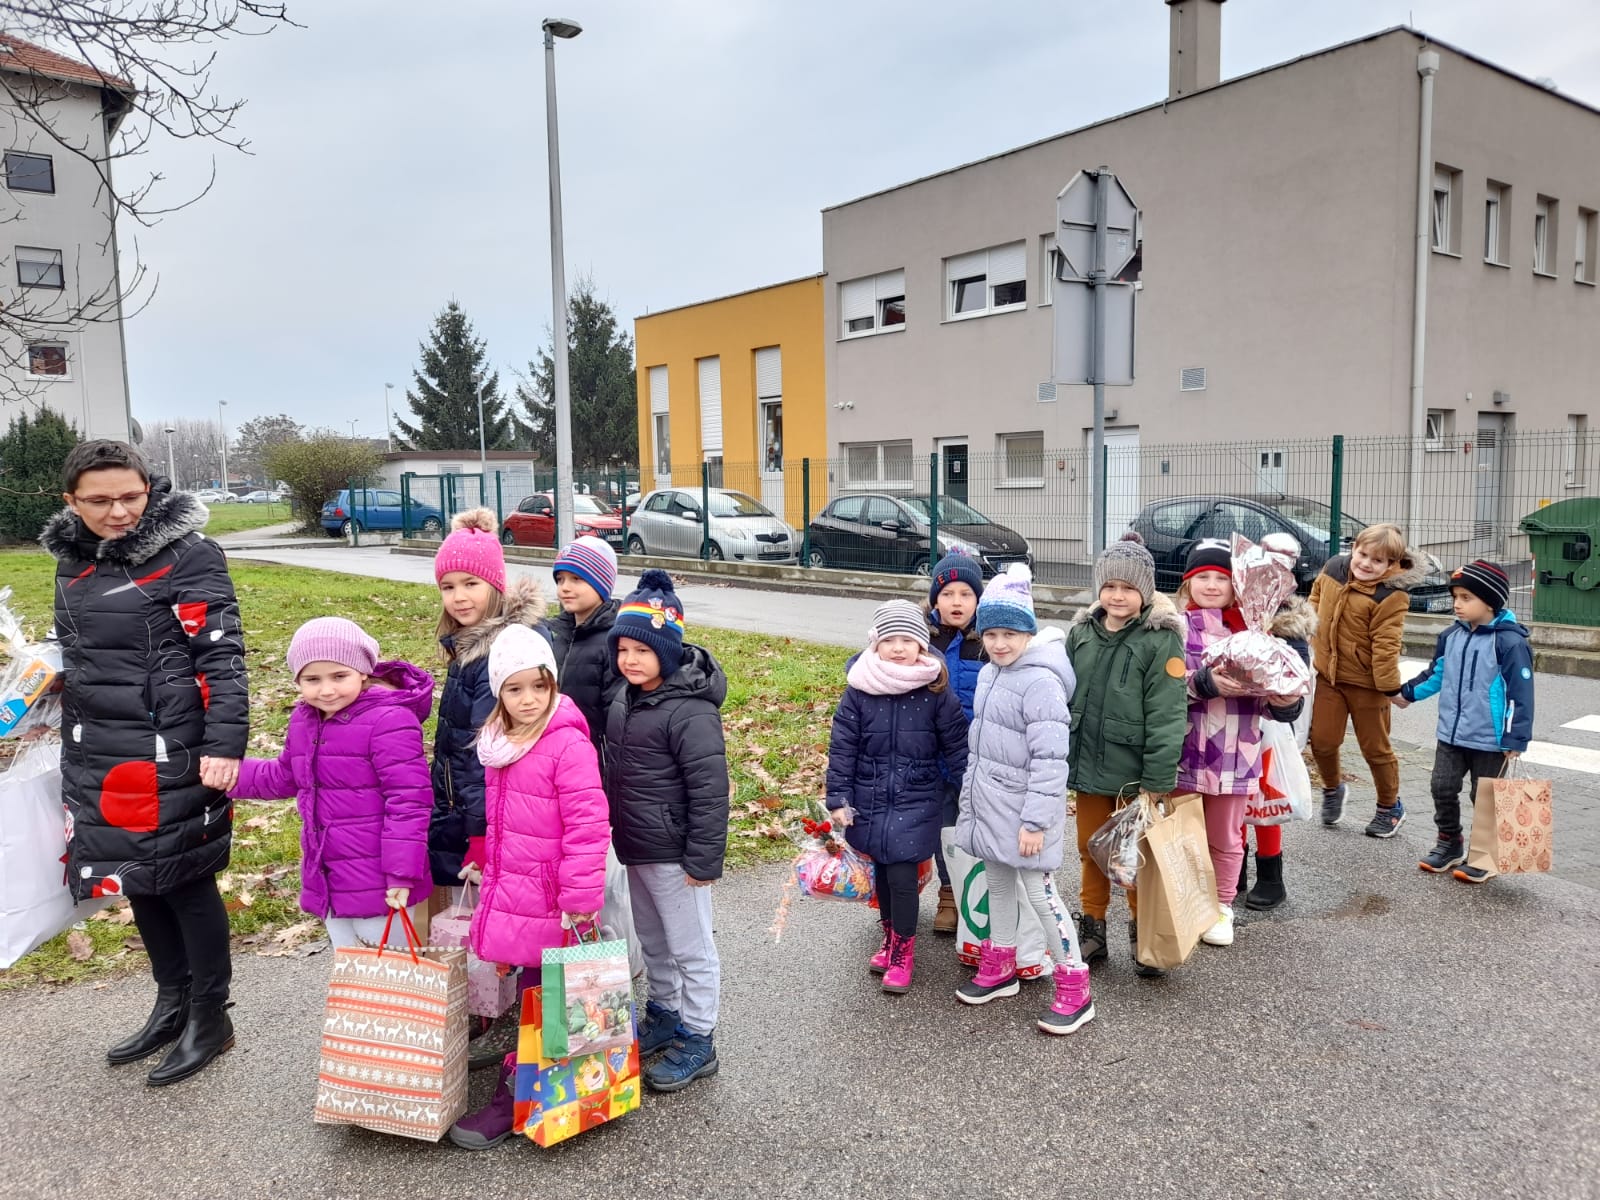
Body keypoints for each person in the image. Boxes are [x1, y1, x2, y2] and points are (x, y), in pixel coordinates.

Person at [40, 440, 249, 1086]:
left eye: (131, 496)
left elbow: (221, 654)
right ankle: (173, 1002)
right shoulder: (72, 562)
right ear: (71, 502)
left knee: (185, 878)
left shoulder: (188, 555)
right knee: (138, 877)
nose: (119, 512)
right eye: (99, 501)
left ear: (149, 488)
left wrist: (224, 746)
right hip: (100, 747)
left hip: (174, 746)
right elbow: (85, 650)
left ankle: (211, 1017)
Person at [448, 624, 610, 1149]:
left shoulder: (566, 745)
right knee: (539, 999)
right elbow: (509, 824)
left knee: (545, 1002)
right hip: (516, 893)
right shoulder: (499, 744)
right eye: (514, 689)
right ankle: (545, 1094)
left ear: (553, 686)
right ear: (498, 692)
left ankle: (514, 1101)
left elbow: (588, 826)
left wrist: (581, 899)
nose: (528, 699)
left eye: (538, 687)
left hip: (555, 903)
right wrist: (487, 865)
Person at [231, 618, 434, 947]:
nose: (326, 690)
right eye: (312, 679)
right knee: (350, 974)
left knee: (391, 978)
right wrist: (230, 777)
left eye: (339, 676)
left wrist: (401, 873)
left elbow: (408, 802)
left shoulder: (389, 721)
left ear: (363, 672)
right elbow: (285, 776)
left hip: (384, 879)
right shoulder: (305, 719)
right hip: (329, 877)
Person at [952, 564, 1093, 1036]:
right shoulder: (993, 673)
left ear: (1028, 632)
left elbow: (1052, 760)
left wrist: (1035, 822)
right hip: (992, 805)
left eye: (1010, 633)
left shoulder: (1040, 681)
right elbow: (982, 745)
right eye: (990, 633)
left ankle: (1075, 985)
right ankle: (1000, 964)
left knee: (1040, 893)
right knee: (998, 886)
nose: (999, 643)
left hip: (1028, 813)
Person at [603, 569, 730, 1091]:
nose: (630, 660)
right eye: (623, 648)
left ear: (669, 652)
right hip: (635, 845)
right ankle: (665, 1012)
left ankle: (700, 1036)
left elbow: (710, 791)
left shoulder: (691, 711)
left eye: (643, 650)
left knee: (690, 946)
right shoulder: (623, 699)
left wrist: (702, 860)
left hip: (677, 854)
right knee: (653, 939)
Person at [825, 600, 968, 993]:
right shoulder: (859, 688)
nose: (899, 647)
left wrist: (967, 790)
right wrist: (838, 797)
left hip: (918, 795)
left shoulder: (935, 689)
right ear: (876, 643)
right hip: (869, 797)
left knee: (903, 874)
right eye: (890, 639)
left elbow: (956, 745)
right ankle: (889, 938)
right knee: (882, 876)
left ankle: (904, 950)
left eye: (908, 639)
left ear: (922, 644)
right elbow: (843, 746)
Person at [1065, 533, 1186, 979]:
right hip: (1087, 767)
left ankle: (1144, 929)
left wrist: (1157, 778)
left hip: (1132, 775)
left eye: (1128, 588)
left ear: (1146, 592)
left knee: (1134, 857)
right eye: (1110, 586)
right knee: (1089, 849)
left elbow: (1169, 714)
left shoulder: (1161, 640)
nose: (1117, 596)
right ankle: (1093, 927)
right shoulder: (1080, 633)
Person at [1176, 540, 1301, 948]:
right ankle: (1180, 900)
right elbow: (1159, 687)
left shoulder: (1253, 634)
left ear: (1237, 585)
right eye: (1203, 577)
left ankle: (1222, 906)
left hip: (1236, 751)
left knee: (1226, 835)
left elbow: (1268, 698)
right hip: (1182, 748)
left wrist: (1283, 702)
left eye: (1221, 578)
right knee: (1180, 830)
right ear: (1187, 583)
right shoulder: (1174, 628)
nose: (1212, 585)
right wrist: (1202, 683)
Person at [427, 509, 547, 905]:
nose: (458, 597)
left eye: (470, 583)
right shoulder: (468, 646)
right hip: (464, 811)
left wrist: (480, 835)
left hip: (491, 821)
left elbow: (488, 753)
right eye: (447, 586)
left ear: (495, 584)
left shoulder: (502, 652)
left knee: (495, 935)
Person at [1394, 560, 1534, 882]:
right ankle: (1449, 842)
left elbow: (1521, 693)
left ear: (1490, 601)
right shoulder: (1450, 636)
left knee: (1484, 798)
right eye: (1455, 596)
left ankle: (1484, 855)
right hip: (1451, 735)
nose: (1457, 603)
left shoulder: (1509, 643)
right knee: (1441, 787)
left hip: (1491, 739)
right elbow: (1436, 674)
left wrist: (1516, 738)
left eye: (1466, 597)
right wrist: (1407, 693)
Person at [1306, 523, 1424, 838]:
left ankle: (1389, 807)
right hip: (1329, 677)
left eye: (1378, 560)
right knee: (1322, 741)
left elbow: (1386, 645)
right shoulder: (1333, 569)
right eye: (1363, 554)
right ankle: (1332, 789)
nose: (1367, 564)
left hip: (1369, 685)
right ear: (1354, 549)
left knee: (1376, 749)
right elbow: (1315, 598)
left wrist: (1390, 688)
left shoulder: (1391, 595)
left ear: (1391, 565)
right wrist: (1305, 630)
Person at [1238, 533, 1317, 911]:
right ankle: (1232, 864)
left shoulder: (1290, 623)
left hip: (1270, 724)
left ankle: (1271, 875)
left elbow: (1295, 679)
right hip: (1230, 718)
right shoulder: (1233, 607)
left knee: (1267, 796)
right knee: (1230, 798)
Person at [924, 549, 985, 934]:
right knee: (942, 829)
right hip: (931, 756)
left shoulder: (990, 638)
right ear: (934, 600)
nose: (956, 602)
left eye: (965, 594)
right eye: (947, 594)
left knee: (975, 828)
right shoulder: (922, 637)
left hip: (977, 757)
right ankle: (949, 893)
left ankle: (977, 894)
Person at [548, 534, 622, 759]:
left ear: (600, 584)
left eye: (576, 579)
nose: (565, 588)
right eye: (560, 579)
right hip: (555, 754)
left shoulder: (613, 641)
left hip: (594, 759)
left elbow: (617, 716)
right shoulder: (558, 635)